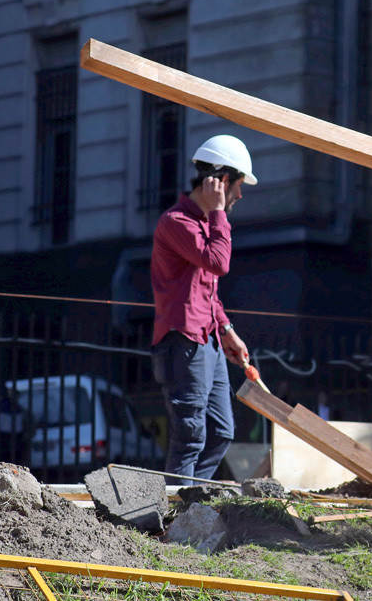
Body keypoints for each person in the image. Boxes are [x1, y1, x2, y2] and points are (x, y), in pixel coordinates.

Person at [150, 134, 254, 485]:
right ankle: (175, 518)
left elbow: (206, 290)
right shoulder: (177, 222)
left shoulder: (205, 225)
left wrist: (227, 331)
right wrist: (220, 213)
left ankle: (191, 503)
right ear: (222, 181)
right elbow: (218, 263)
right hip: (183, 344)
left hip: (207, 340)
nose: (241, 195)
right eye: (238, 185)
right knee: (190, 438)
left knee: (221, 432)